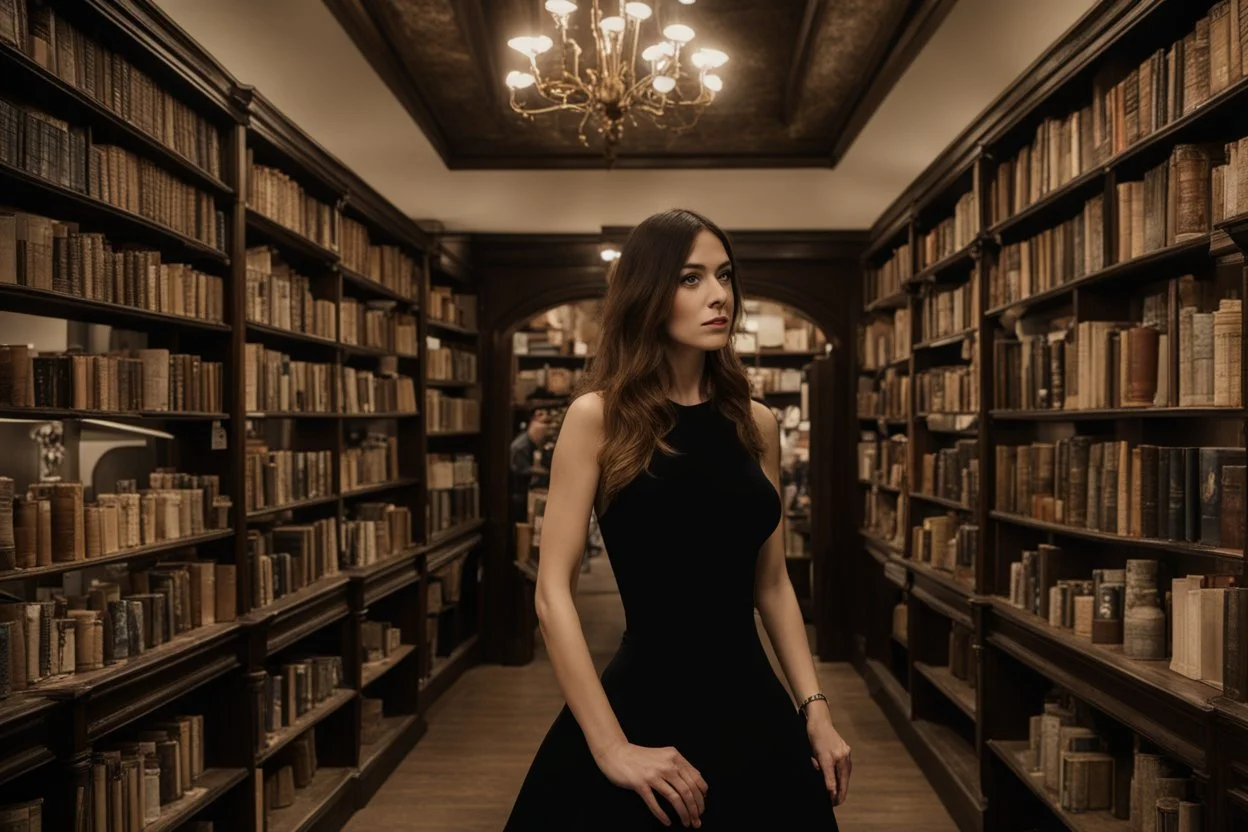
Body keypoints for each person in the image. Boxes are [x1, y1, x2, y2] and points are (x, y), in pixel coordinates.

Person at [504, 209, 850, 830]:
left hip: (754, 706)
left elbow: (771, 585)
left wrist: (815, 709)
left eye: (724, 275)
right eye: (691, 279)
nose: (720, 295)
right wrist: (610, 746)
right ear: (648, 293)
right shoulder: (598, 418)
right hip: (642, 702)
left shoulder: (756, 423)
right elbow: (552, 593)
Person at [509, 407, 554, 524]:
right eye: (545, 423)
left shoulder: (531, 443)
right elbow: (519, 469)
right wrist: (545, 472)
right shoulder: (521, 445)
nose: (547, 428)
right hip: (518, 496)